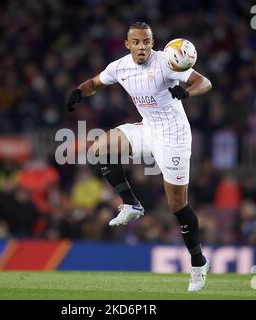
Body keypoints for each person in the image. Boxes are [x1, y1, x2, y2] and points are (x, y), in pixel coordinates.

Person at [66, 22, 212, 292]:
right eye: (137, 42)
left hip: (174, 137)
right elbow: (95, 83)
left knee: (177, 204)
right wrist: (78, 92)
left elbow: (205, 82)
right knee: (100, 148)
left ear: (152, 43)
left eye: (147, 41)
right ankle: (131, 204)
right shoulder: (119, 67)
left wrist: (186, 92)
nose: (142, 46)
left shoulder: (167, 62)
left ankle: (198, 263)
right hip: (148, 129)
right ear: (127, 44)